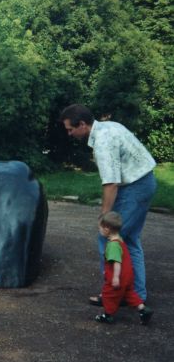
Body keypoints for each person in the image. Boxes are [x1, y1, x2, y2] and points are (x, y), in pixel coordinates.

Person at [60, 104, 157, 304]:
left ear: (82, 124)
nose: (69, 134)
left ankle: (114, 294)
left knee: (108, 237)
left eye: (70, 129)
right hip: (145, 182)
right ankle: (136, 295)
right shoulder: (109, 126)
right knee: (129, 240)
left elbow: (111, 183)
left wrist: (104, 216)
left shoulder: (103, 141)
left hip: (134, 187)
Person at [94, 212, 153, 325]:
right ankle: (143, 309)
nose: (99, 230)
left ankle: (108, 315)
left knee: (108, 294)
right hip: (127, 276)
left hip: (119, 276)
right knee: (129, 293)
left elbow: (117, 262)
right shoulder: (120, 240)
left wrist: (115, 277)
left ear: (107, 229)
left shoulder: (113, 245)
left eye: (100, 228)